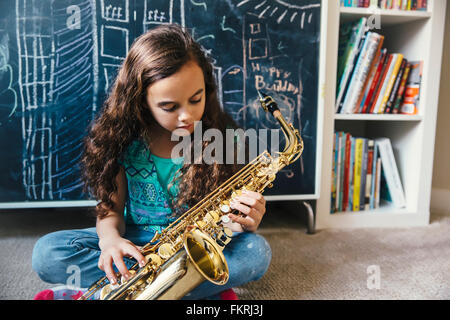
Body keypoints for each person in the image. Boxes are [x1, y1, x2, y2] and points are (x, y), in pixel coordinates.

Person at [32, 24, 272, 300]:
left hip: (197, 249)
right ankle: (186, 291)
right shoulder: (121, 141)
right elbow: (109, 212)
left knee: (256, 252)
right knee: (46, 253)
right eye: (170, 107)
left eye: (196, 99)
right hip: (137, 243)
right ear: (140, 100)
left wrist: (246, 222)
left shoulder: (224, 141)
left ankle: (110, 294)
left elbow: (231, 226)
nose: (187, 116)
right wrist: (111, 241)